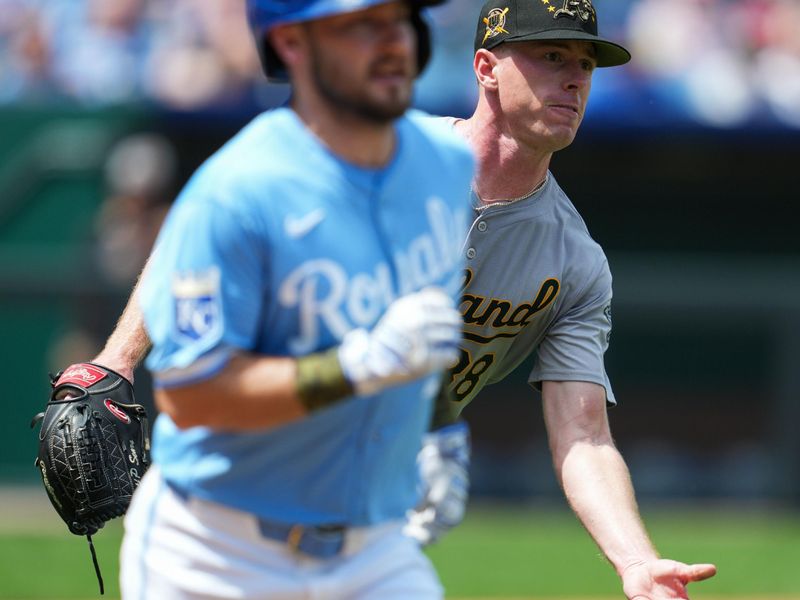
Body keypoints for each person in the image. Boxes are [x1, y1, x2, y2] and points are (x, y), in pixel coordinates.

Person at [90, 0, 716, 598]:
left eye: (585, 64)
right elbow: (201, 252)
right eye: (551, 56)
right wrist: (116, 361)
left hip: (371, 542)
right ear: (485, 68)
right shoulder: (368, 153)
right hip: (219, 527)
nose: (574, 79)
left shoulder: (576, 262)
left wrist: (636, 560)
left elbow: (583, 433)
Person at [112, 1, 475, 599]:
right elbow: (190, 393)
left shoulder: (445, 166)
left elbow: (420, 335)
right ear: (290, 43)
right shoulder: (237, 193)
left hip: (374, 552)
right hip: (214, 552)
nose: (393, 42)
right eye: (361, 23)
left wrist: (437, 430)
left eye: (401, 18)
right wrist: (355, 368)